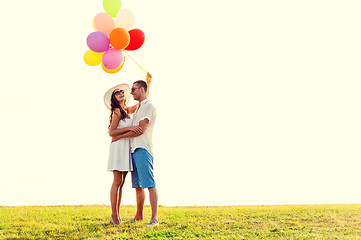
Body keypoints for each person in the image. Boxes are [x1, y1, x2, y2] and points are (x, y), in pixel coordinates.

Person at [111, 73, 159, 227]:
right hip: (129, 149)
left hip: (141, 148)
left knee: (148, 183)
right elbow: (143, 99)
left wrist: (120, 136)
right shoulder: (131, 109)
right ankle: (135, 216)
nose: (128, 92)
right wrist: (147, 84)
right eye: (118, 92)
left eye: (132, 89)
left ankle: (154, 219)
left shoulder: (142, 107)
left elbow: (140, 127)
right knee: (136, 185)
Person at [104, 83, 142, 225]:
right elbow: (111, 132)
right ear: (114, 98)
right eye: (117, 92)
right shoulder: (117, 111)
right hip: (118, 148)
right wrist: (131, 128)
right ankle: (114, 215)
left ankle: (117, 215)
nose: (121, 93)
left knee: (122, 182)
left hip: (126, 147)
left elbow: (142, 102)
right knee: (117, 181)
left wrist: (148, 83)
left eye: (121, 91)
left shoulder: (125, 110)